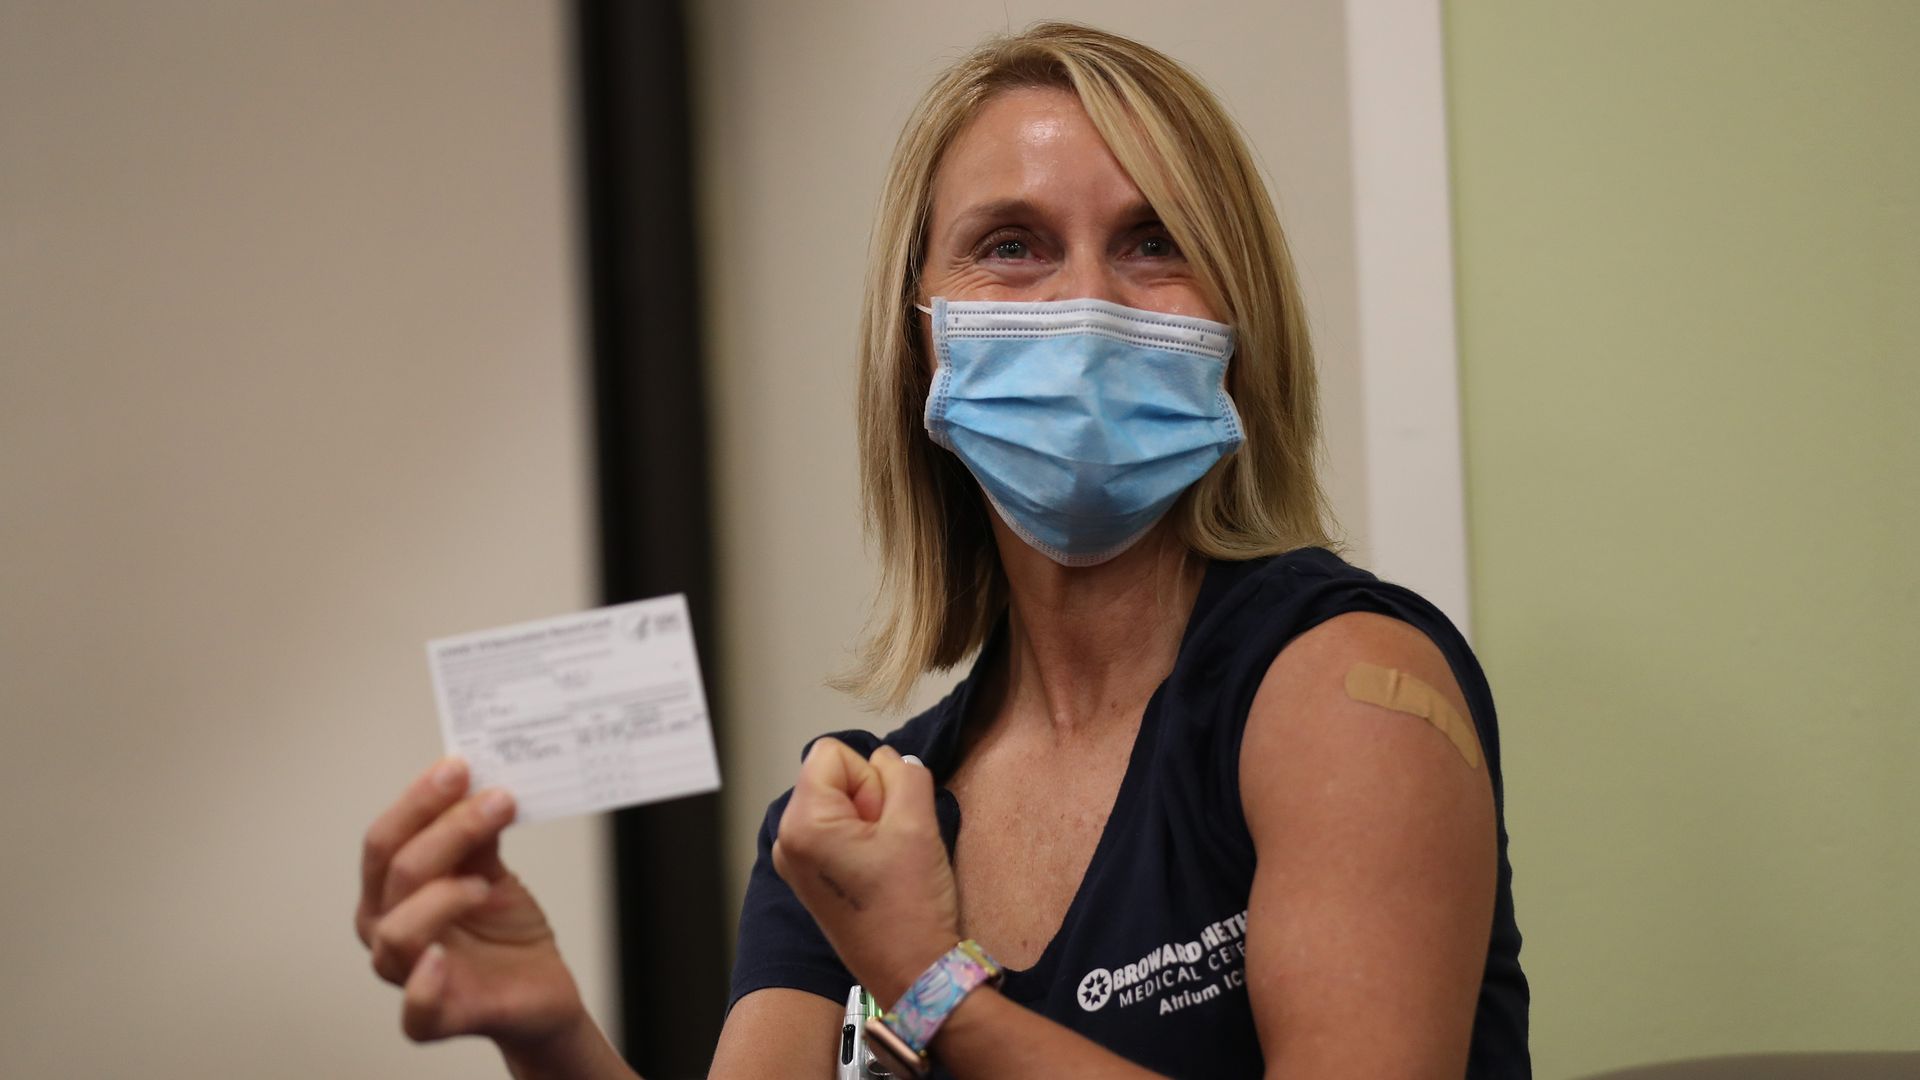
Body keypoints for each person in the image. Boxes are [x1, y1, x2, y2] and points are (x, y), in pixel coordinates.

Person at [354, 21, 1529, 1079]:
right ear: (922, 342)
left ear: (1238, 324)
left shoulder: (1345, 687)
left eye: (1153, 243)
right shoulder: (854, 816)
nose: (1084, 306)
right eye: (1011, 246)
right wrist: (547, 1031)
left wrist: (932, 990)